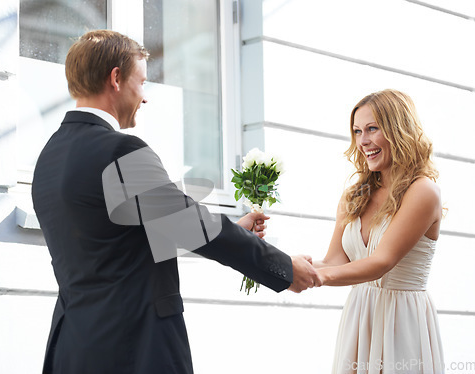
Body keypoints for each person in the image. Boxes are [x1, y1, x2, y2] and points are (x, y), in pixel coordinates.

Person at [32, 29, 319, 374]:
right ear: (116, 79)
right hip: (133, 348)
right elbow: (192, 226)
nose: (145, 97)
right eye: (142, 83)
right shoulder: (119, 150)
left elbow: (116, 245)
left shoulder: (49, 156)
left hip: (73, 348)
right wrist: (285, 268)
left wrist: (236, 230)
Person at [311, 89, 444, 373]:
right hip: (360, 317)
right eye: (357, 131)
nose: (363, 141)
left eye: (372, 128)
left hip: (402, 322)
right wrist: (279, 264)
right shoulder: (354, 195)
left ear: (399, 130)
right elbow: (334, 261)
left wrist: (315, 276)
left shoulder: (423, 192)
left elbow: (381, 263)